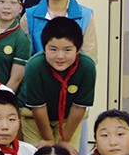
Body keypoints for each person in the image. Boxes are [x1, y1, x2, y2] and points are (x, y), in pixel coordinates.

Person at [21, 17, 96, 147]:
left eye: (67, 50)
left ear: (77, 50)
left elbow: (79, 107)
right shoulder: (35, 66)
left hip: (68, 118)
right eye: (53, 49)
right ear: (44, 48)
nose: (60, 56)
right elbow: (38, 107)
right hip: (34, 117)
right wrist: (48, 139)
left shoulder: (87, 67)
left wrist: (65, 140)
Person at [26, 0, 98, 59]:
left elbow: (89, 55)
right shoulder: (29, 15)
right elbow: (25, 55)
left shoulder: (85, 15)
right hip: (39, 69)